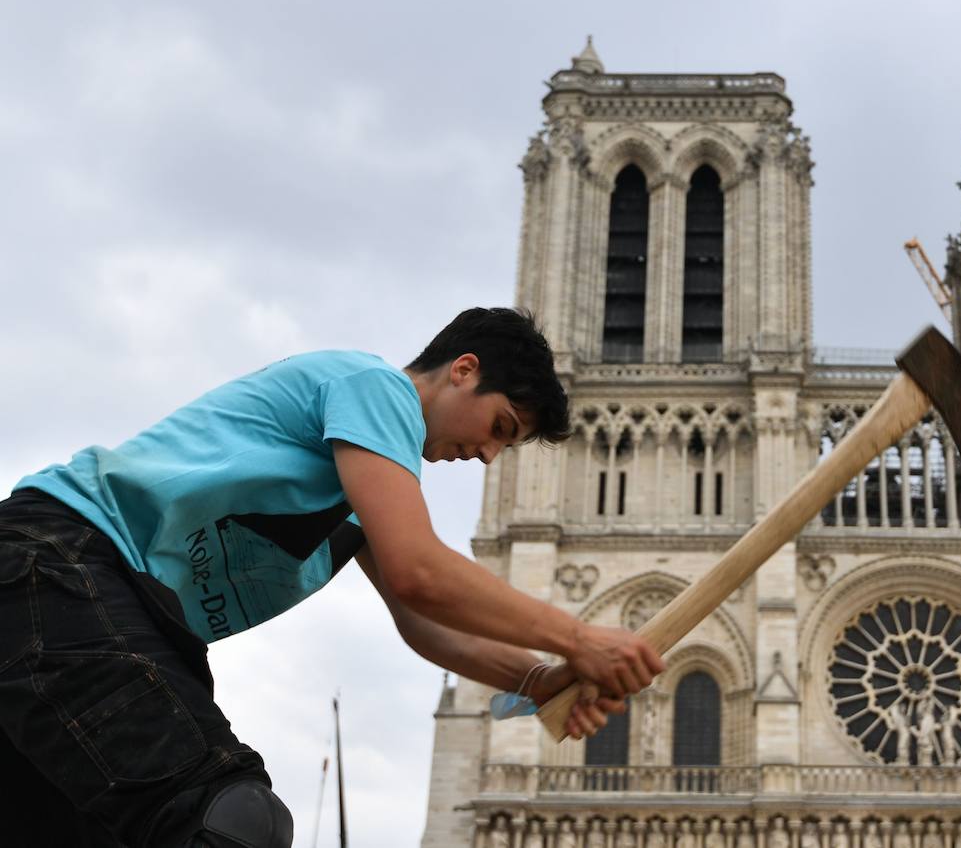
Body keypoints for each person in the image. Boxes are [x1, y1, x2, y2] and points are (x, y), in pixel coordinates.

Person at [0, 307, 665, 847]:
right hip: (61, 562)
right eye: (499, 427)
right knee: (228, 820)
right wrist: (578, 639)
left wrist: (538, 679)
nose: (488, 455)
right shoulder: (374, 388)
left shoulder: (362, 489)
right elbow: (419, 573)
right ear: (464, 371)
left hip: (103, 603)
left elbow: (426, 629)